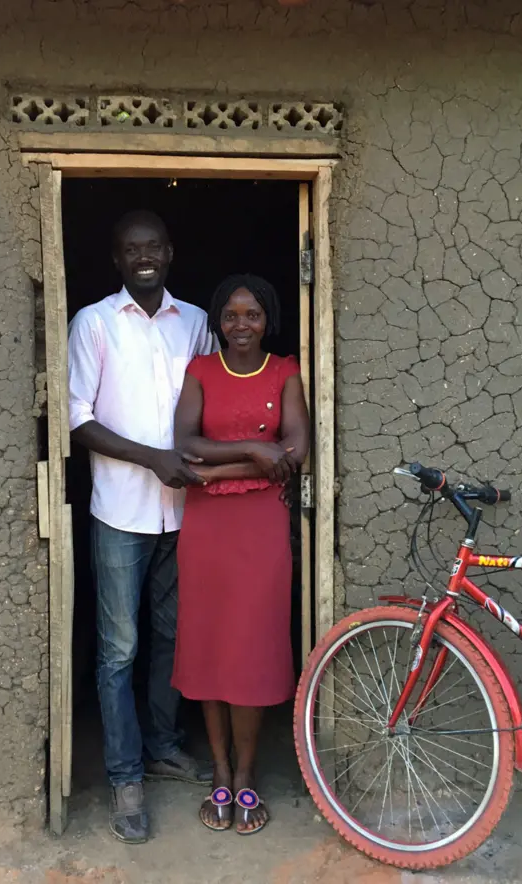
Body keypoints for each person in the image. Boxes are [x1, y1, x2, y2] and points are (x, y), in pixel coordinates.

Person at [67, 210, 217, 845]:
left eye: (153, 246)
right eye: (131, 249)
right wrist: (153, 457)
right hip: (123, 512)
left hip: (185, 514)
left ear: (170, 251)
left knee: (173, 637)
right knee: (118, 649)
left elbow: (213, 399)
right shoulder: (95, 323)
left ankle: (161, 745)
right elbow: (77, 420)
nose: (144, 257)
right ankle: (126, 776)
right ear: (117, 259)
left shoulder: (197, 324)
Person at [172, 273, 310, 835]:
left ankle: (248, 776)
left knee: (250, 649)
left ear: (267, 318)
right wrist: (255, 451)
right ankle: (220, 773)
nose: (241, 324)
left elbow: (297, 449)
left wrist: (215, 471)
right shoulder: (201, 371)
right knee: (209, 647)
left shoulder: (287, 372)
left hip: (261, 527)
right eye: (231, 315)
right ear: (217, 321)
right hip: (207, 531)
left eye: (252, 314)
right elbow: (184, 447)